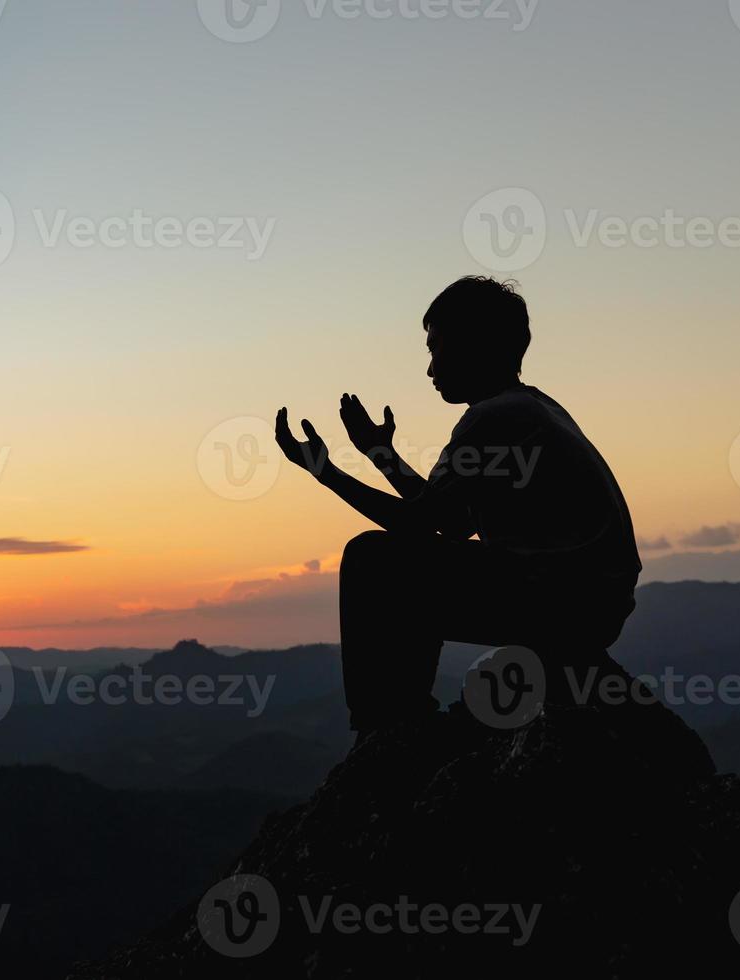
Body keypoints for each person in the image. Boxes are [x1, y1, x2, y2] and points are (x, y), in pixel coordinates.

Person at [274, 277, 641, 733]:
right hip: (587, 603)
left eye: (436, 349)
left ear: (475, 345)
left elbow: (420, 523)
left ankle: (387, 726)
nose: (430, 369)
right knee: (404, 564)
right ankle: (400, 720)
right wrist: (380, 454)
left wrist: (325, 471)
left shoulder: (495, 416)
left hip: (561, 602)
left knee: (373, 558)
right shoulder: (529, 408)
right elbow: (451, 521)